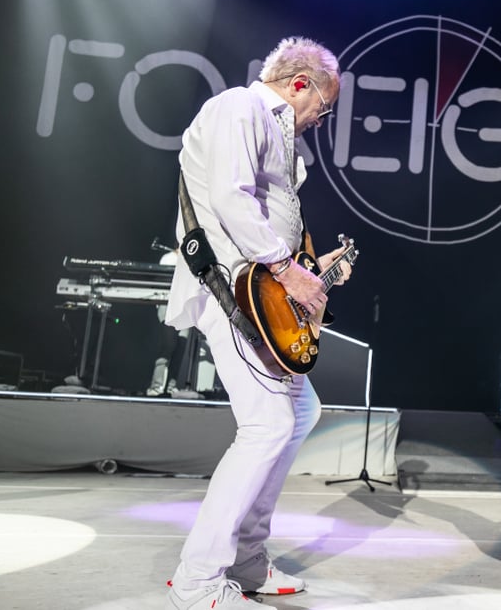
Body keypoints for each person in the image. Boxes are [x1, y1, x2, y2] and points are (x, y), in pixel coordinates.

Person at [163, 36, 353, 610]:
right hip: (233, 290)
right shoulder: (238, 108)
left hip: (260, 293)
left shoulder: (278, 135)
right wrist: (283, 269)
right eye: (325, 105)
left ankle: (246, 559)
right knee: (268, 425)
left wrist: (310, 269)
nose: (323, 118)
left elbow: (266, 217)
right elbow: (228, 197)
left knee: (298, 412)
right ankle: (199, 579)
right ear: (301, 84)